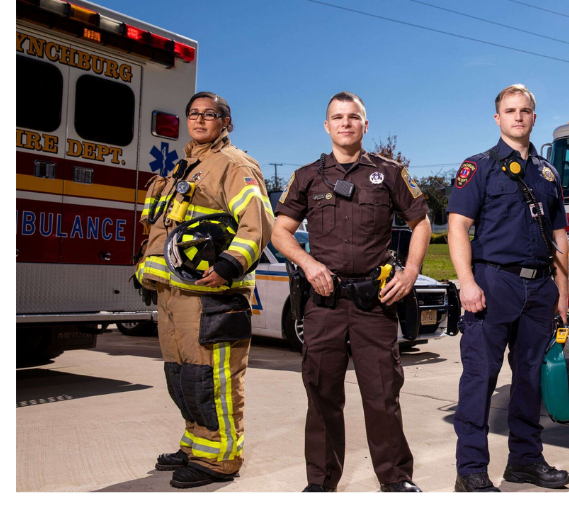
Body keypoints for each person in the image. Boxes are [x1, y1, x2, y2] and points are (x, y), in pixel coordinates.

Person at [271, 92, 431, 492]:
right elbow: (280, 232)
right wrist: (308, 264)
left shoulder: (390, 173)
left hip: (374, 303)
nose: (346, 123)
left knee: (382, 395)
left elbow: (422, 223)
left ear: (365, 125)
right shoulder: (307, 176)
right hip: (323, 304)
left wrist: (411, 271)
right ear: (326, 126)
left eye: (354, 117)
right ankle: (322, 483)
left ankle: (396, 480)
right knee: (322, 395)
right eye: (338, 117)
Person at [133, 92, 274, 488]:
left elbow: (257, 220)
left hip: (211, 296)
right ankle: (197, 445)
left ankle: (220, 460)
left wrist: (229, 264)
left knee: (214, 379)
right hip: (173, 294)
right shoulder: (184, 168)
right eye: (193, 113)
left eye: (209, 114)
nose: (199, 120)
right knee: (182, 376)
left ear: (226, 123)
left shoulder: (233, 164)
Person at [446, 84, 569, 492]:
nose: (518, 116)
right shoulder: (477, 167)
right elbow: (458, 228)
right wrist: (466, 282)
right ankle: (471, 470)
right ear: (497, 118)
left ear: (535, 117)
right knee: (481, 377)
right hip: (492, 283)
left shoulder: (548, 173)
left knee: (530, 379)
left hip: (539, 290)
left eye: (525, 110)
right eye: (510, 110)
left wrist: (562, 293)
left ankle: (525, 461)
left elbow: (559, 233)